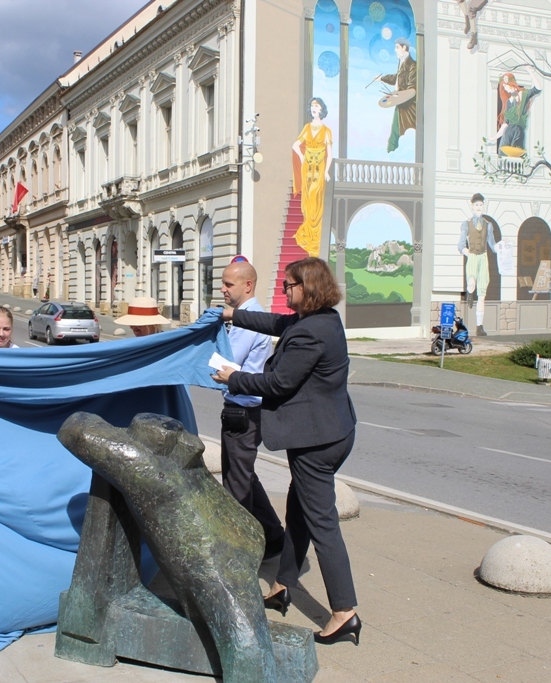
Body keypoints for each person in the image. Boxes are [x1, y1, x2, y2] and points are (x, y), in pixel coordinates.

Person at [212, 257, 360, 646]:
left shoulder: (310, 333)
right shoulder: (320, 320)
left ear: (306, 288)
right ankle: (282, 584)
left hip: (316, 442)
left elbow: (278, 383)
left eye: (288, 286)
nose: (284, 292)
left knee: (322, 524)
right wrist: (232, 314)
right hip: (332, 431)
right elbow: (274, 323)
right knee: (299, 512)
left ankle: (344, 613)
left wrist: (234, 377)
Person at [218, 257, 285, 559]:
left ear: (247, 285)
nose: (222, 289)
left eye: (228, 284)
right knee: (245, 478)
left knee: (236, 487)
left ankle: (241, 554)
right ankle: (273, 537)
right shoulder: (246, 316)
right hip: (244, 411)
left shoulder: (248, 320)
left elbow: (227, 361)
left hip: (242, 412)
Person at [292, 97, 333, 258]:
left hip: (319, 167)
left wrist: (326, 171)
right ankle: (309, 230)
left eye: (317, 106)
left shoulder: (326, 130)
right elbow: (295, 145)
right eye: (312, 106)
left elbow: (329, 154)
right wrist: (302, 158)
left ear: (322, 109)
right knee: (308, 198)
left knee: (316, 196)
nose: (314, 108)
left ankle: (316, 233)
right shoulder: (307, 127)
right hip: (307, 167)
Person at [458, 193, 499, 336]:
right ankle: (470, 292)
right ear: (472, 206)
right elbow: (461, 245)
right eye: (476, 205)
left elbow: (492, 244)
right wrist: (467, 252)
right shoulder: (467, 224)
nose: (479, 207)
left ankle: (479, 326)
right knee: (471, 281)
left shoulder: (488, 225)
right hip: (473, 255)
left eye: (481, 205)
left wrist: (499, 247)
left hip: (483, 256)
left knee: (482, 293)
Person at [372, 38, 418, 153]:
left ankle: (393, 154)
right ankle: (390, 154)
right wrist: (382, 78)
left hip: (408, 108)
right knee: (395, 134)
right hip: (401, 104)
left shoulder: (412, 65)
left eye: (397, 47)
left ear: (404, 48)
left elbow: (412, 89)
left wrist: (398, 96)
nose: (395, 50)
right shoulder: (403, 64)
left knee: (400, 134)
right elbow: (397, 78)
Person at [491, 66, 542, 158]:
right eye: (504, 87)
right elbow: (506, 123)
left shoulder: (524, 94)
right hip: (508, 132)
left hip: (519, 131)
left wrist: (530, 72)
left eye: (506, 86)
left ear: (512, 83)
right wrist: (495, 137)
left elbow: (538, 89)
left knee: (517, 157)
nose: (505, 89)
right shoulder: (508, 102)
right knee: (503, 155)